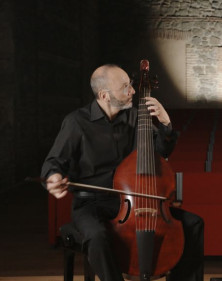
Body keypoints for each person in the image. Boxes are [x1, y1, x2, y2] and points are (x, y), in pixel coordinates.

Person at [41, 64, 204, 281]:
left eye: (131, 85)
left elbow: (161, 153)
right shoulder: (77, 122)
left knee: (194, 224)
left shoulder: (137, 118)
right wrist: (53, 177)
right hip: (92, 204)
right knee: (97, 236)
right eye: (125, 87)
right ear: (104, 95)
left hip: (135, 200)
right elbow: (54, 162)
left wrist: (166, 124)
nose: (133, 91)